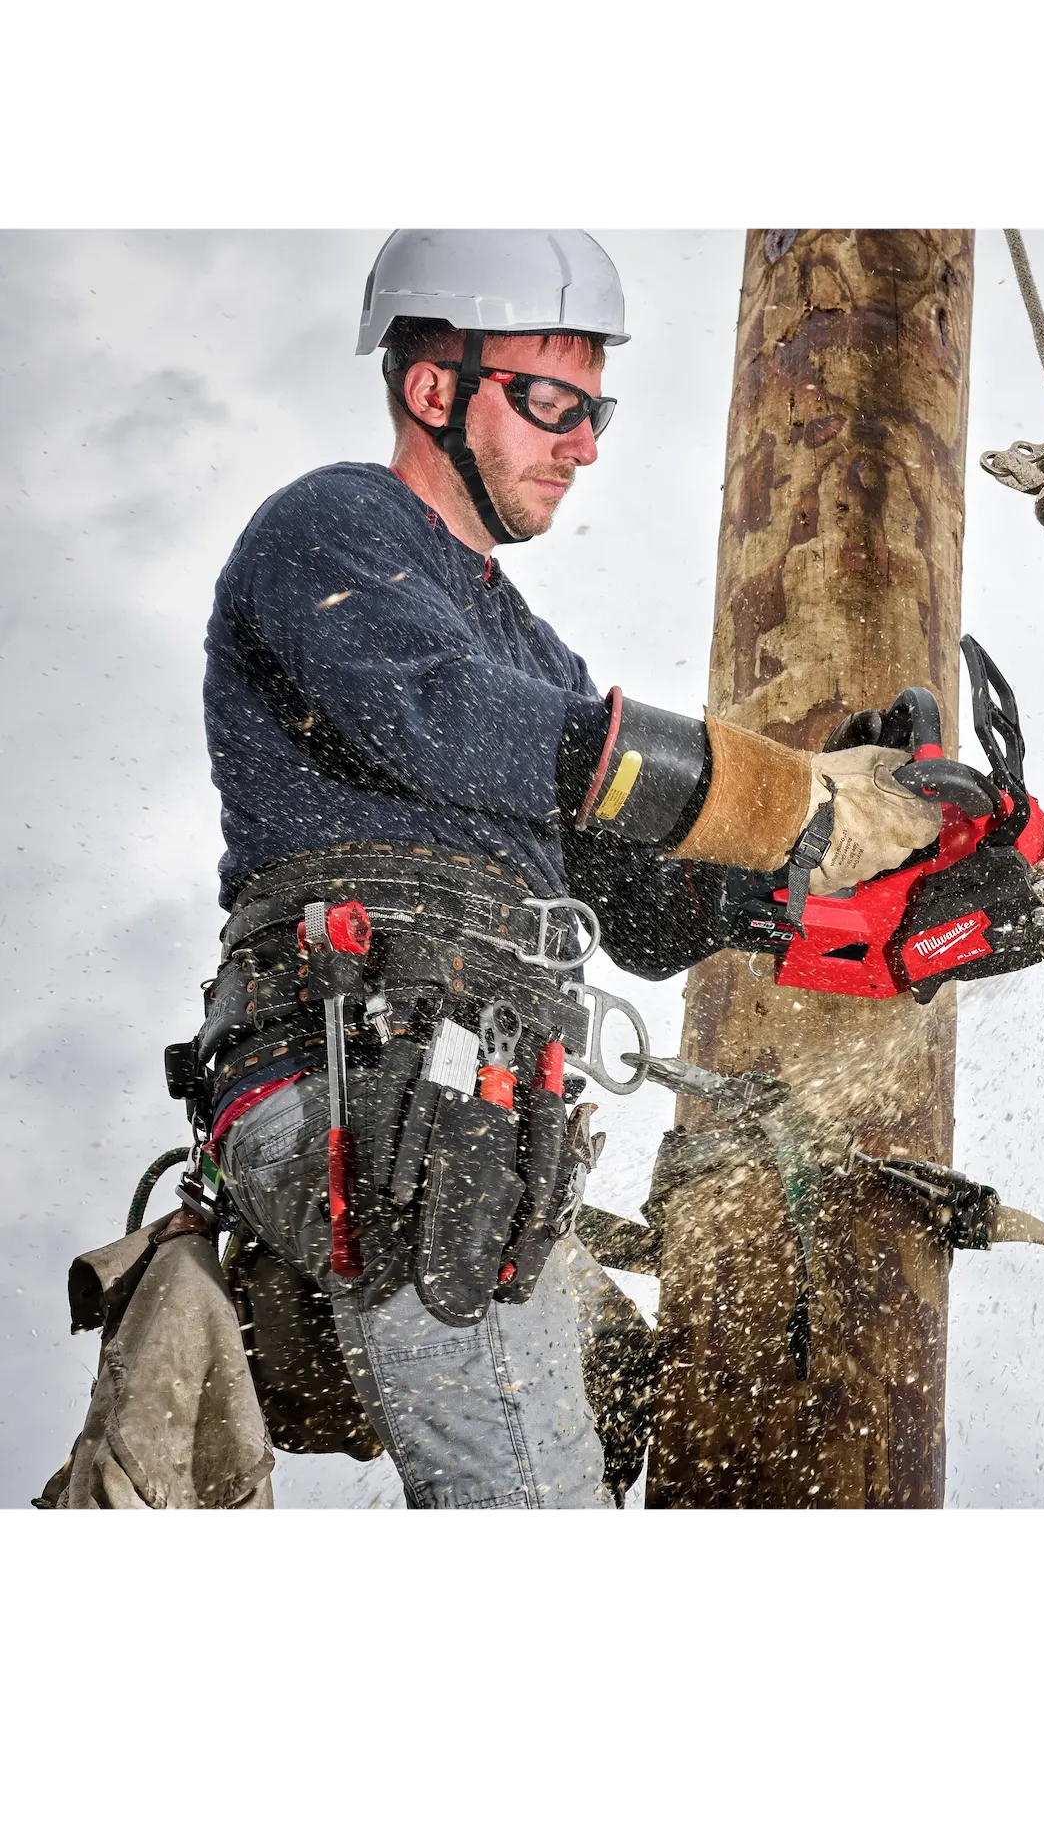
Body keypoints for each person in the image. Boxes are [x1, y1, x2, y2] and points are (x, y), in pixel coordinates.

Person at [191, 223, 941, 1514]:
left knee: (608, 1388)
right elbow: (442, 717)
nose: (584, 443)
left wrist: (846, 873)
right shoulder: (337, 525)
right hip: (382, 1083)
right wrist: (798, 805)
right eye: (551, 404)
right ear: (437, 389)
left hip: (471, 1093)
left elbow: (642, 904)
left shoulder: (524, 646)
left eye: (595, 411)